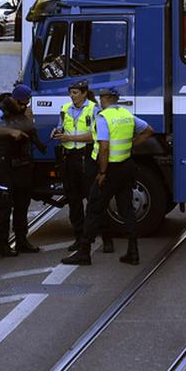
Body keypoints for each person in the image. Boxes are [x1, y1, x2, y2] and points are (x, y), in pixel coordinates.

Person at [61, 87, 154, 267]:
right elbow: (149, 130)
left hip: (109, 169)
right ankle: (133, 253)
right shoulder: (126, 114)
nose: (99, 100)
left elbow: (104, 147)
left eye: (100, 97)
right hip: (126, 166)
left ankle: (84, 252)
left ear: (105, 98)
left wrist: (102, 172)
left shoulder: (104, 117)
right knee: (127, 210)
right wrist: (131, 146)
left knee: (93, 209)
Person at [0, 84, 46, 257]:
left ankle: (21, 240)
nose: (24, 107)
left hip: (22, 163)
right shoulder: (0, 110)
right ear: (14, 100)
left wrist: (28, 119)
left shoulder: (23, 109)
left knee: (22, 203)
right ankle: (3, 244)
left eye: (27, 104)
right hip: (4, 164)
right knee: (4, 205)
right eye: (21, 104)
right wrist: (10, 132)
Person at [50, 80, 103, 253]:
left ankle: (105, 237)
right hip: (69, 159)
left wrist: (70, 138)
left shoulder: (94, 109)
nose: (72, 96)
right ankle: (79, 238)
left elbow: (95, 135)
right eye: (70, 93)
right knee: (73, 200)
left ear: (84, 93)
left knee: (93, 199)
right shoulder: (65, 109)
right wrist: (56, 132)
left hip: (85, 158)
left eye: (75, 93)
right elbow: (61, 127)